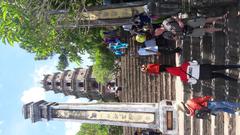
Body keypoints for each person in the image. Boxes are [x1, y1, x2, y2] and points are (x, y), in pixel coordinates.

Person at [141, 60, 240, 84]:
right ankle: (236, 66)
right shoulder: (184, 65)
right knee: (223, 67)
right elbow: (195, 62)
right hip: (205, 68)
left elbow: (194, 82)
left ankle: (235, 80)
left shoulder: (183, 78)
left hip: (204, 75)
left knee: (220, 75)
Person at [155, 13, 228, 39]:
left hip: (187, 23)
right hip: (187, 32)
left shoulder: (165, 22)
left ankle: (221, 17)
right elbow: (176, 38)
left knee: (204, 20)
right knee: (204, 30)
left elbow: (174, 17)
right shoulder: (166, 35)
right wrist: (175, 35)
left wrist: (179, 21)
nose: (159, 33)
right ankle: (221, 29)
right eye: (158, 34)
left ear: (157, 29)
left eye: (157, 32)